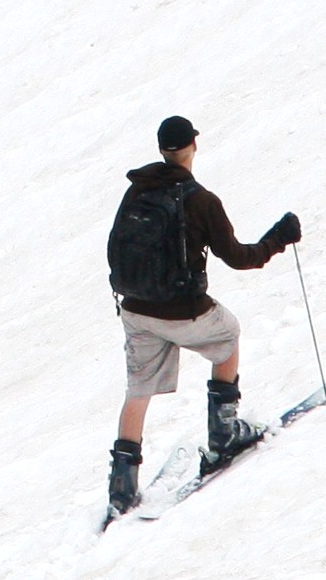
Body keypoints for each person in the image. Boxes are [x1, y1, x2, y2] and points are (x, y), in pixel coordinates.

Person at [104, 114, 301, 521]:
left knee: (138, 388)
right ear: (194, 145)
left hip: (136, 309)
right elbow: (240, 258)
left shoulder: (135, 191)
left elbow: (113, 251)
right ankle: (224, 435)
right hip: (181, 310)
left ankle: (121, 490)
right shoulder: (200, 200)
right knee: (227, 335)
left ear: (161, 149)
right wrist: (278, 239)